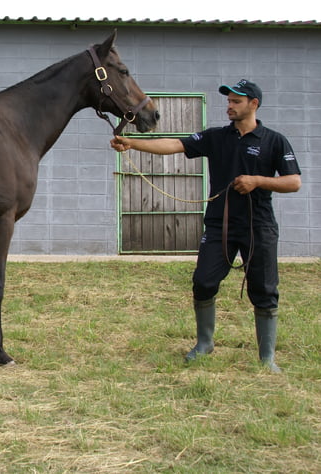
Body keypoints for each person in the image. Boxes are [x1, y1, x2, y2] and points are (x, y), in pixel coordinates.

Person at [110, 79, 301, 372]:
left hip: (258, 226)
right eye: (228, 101)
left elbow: (293, 182)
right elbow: (175, 144)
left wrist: (257, 181)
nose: (229, 106)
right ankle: (204, 343)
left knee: (264, 289)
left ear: (253, 104)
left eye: (236, 101)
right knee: (203, 282)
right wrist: (132, 143)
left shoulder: (274, 140)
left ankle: (267, 358)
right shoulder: (216, 137)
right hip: (219, 226)